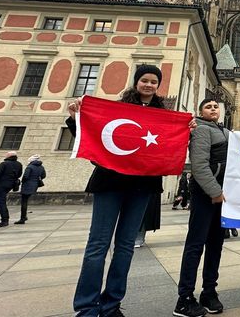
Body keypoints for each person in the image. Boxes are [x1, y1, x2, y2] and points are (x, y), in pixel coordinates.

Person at [70, 64, 169, 317]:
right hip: (111, 183)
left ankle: (111, 304)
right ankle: (86, 307)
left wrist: (186, 133)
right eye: (144, 80)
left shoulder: (164, 114)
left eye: (153, 82)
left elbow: (167, 147)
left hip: (142, 186)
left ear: (158, 86)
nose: (148, 85)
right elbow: (92, 135)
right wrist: (75, 118)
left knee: (125, 246)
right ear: (136, 82)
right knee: (98, 245)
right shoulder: (117, 108)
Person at [174, 98, 231, 317]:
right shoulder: (200, 130)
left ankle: (209, 292)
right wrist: (214, 192)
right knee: (196, 244)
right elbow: (198, 165)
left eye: (216, 106)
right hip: (206, 194)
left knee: (216, 243)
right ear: (201, 112)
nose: (213, 109)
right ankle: (184, 298)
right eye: (208, 107)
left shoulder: (225, 131)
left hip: (221, 194)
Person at [16, 155, 45, 224]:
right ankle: (24, 217)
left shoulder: (29, 167)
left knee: (24, 202)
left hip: (27, 185)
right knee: (25, 200)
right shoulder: (41, 167)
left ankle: (22, 218)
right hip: (35, 185)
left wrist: (22, 182)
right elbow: (43, 175)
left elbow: (25, 176)